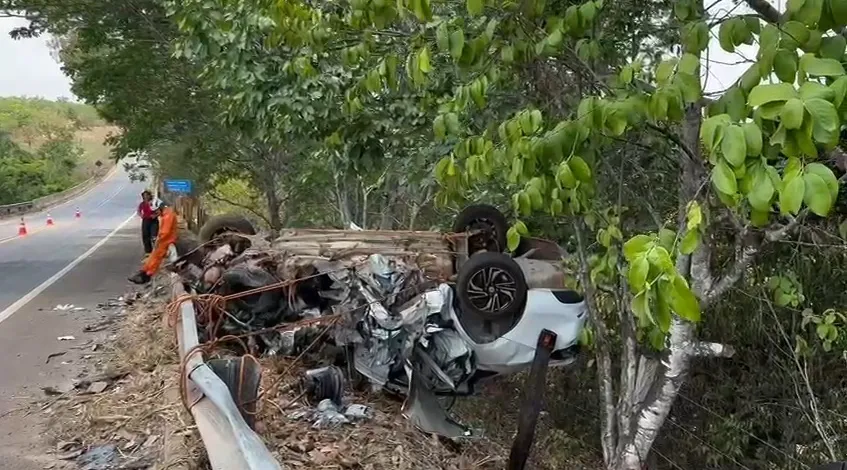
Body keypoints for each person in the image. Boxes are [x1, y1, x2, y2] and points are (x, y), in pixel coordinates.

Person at [128, 198, 178, 284]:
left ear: (160, 208)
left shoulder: (168, 215)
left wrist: (158, 239)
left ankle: (146, 275)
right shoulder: (165, 214)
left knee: (156, 257)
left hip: (167, 241)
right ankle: (143, 272)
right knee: (153, 256)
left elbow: (165, 232)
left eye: (156, 211)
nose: (156, 214)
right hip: (164, 240)